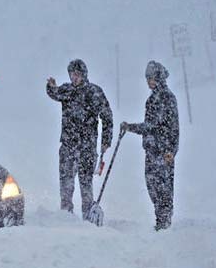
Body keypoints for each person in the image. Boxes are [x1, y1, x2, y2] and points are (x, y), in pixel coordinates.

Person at [46, 59, 113, 219]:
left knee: (85, 183)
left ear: (84, 75)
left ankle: (87, 215)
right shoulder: (67, 90)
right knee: (66, 183)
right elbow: (54, 94)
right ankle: (66, 215)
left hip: (87, 147)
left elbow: (107, 117)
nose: (74, 78)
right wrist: (51, 87)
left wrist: (106, 140)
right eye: (71, 74)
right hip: (68, 145)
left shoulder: (94, 92)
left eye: (77, 74)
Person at [121, 60, 179, 231]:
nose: (148, 81)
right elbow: (149, 127)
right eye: (147, 78)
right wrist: (130, 127)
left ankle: (164, 222)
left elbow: (173, 127)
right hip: (151, 151)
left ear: (159, 78)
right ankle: (160, 218)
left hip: (163, 151)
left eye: (151, 78)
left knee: (164, 188)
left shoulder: (168, 98)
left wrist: (171, 150)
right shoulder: (151, 100)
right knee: (152, 186)